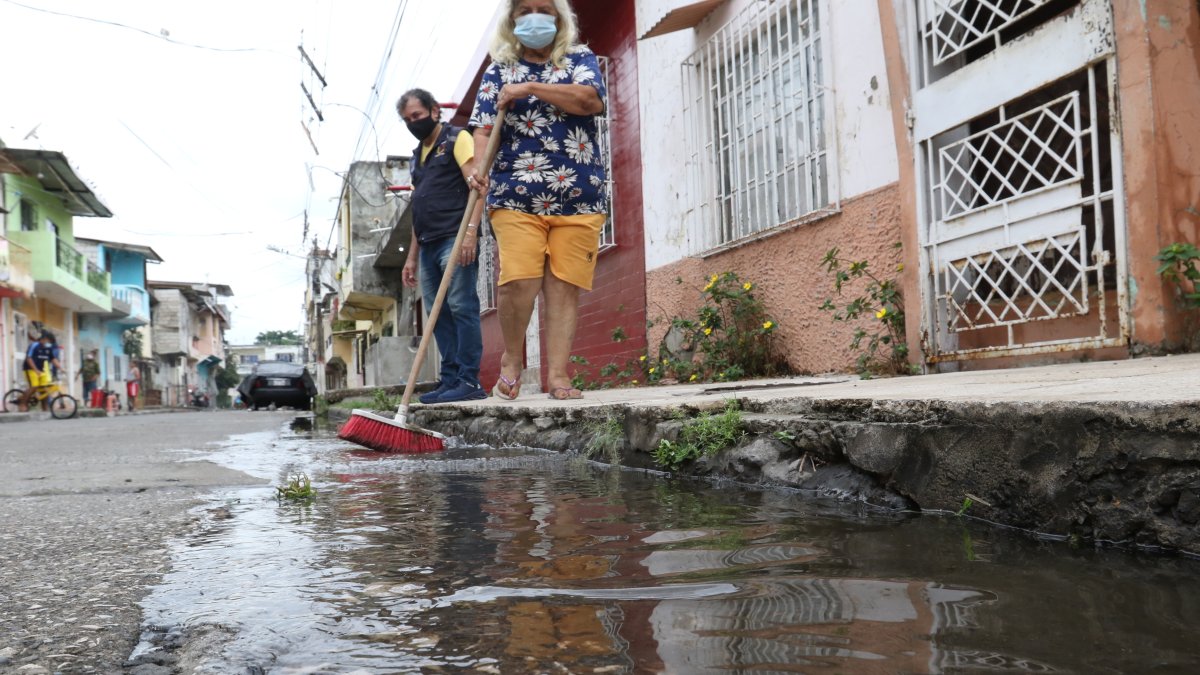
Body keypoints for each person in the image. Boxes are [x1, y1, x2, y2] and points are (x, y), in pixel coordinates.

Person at [468, 0, 608, 401]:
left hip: (579, 193)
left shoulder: (579, 60)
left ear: (559, 16)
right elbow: (482, 128)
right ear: (512, 20)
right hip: (515, 193)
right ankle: (513, 361)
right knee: (518, 281)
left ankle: (559, 376)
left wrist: (530, 88)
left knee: (564, 287)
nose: (534, 16)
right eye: (525, 9)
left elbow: (589, 101)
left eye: (543, 8)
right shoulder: (498, 70)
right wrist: (480, 167)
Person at [399, 87, 488, 404]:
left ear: (435, 110)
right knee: (438, 316)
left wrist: (470, 233)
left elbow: (478, 187)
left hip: (455, 235)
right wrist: (411, 257)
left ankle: (469, 380)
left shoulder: (456, 138)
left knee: (462, 306)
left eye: (418, 116)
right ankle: (450, 380)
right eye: (408, 119)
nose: (413, 122)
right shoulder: (416, 158)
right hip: (428, 244)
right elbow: (418, 208)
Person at [21, 332, 63, 411]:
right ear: (45, 339)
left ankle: (45, 408)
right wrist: (35, 370)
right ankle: (23, 404)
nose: (50, 344)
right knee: (34, 386)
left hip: (41, 370)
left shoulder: (48, 348)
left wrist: (61, 368)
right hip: (30, 369)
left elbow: (53, 359)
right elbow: (29, 358)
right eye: (50, 342)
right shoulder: (34, 345)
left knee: (45, 389)